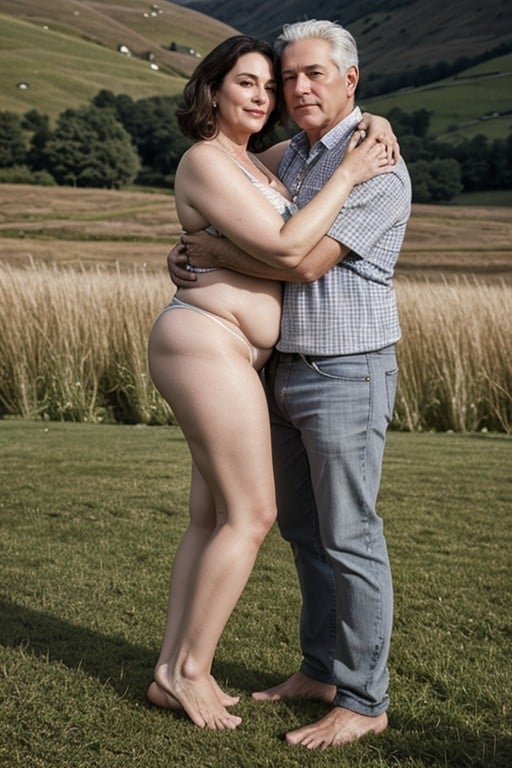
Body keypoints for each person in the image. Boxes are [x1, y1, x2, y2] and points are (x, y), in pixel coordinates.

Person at [168, 20, 412, 748]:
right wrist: (196, 244)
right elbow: (219, 178)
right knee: (305, 532)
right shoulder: (296, 158)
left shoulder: (378, 167)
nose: (296, 89)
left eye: (312, 75)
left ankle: (364, 700)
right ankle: (319, 669)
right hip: (278, 371)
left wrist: (207, 248)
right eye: (286, 78)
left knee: (349, 537)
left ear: (350, 80)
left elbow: (301, 262)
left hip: (345, 371)